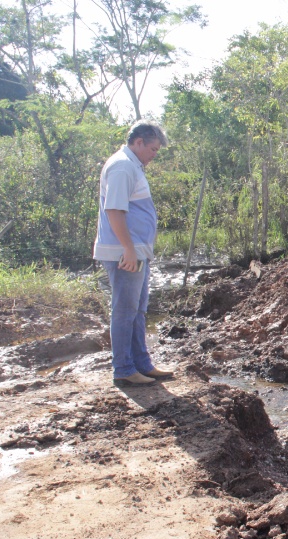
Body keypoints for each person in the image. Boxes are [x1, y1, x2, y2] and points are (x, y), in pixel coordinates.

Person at [93, 121, 173, 387]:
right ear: (138, 142)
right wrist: (128, 249)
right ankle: (124, 368)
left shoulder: (131, 165)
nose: (153, 155)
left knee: (138, 310)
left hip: (135, 250)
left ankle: (142, 364)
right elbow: (114, 211)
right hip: (124, 252)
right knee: (125, 310)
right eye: (152, 149)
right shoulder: (122, 166)